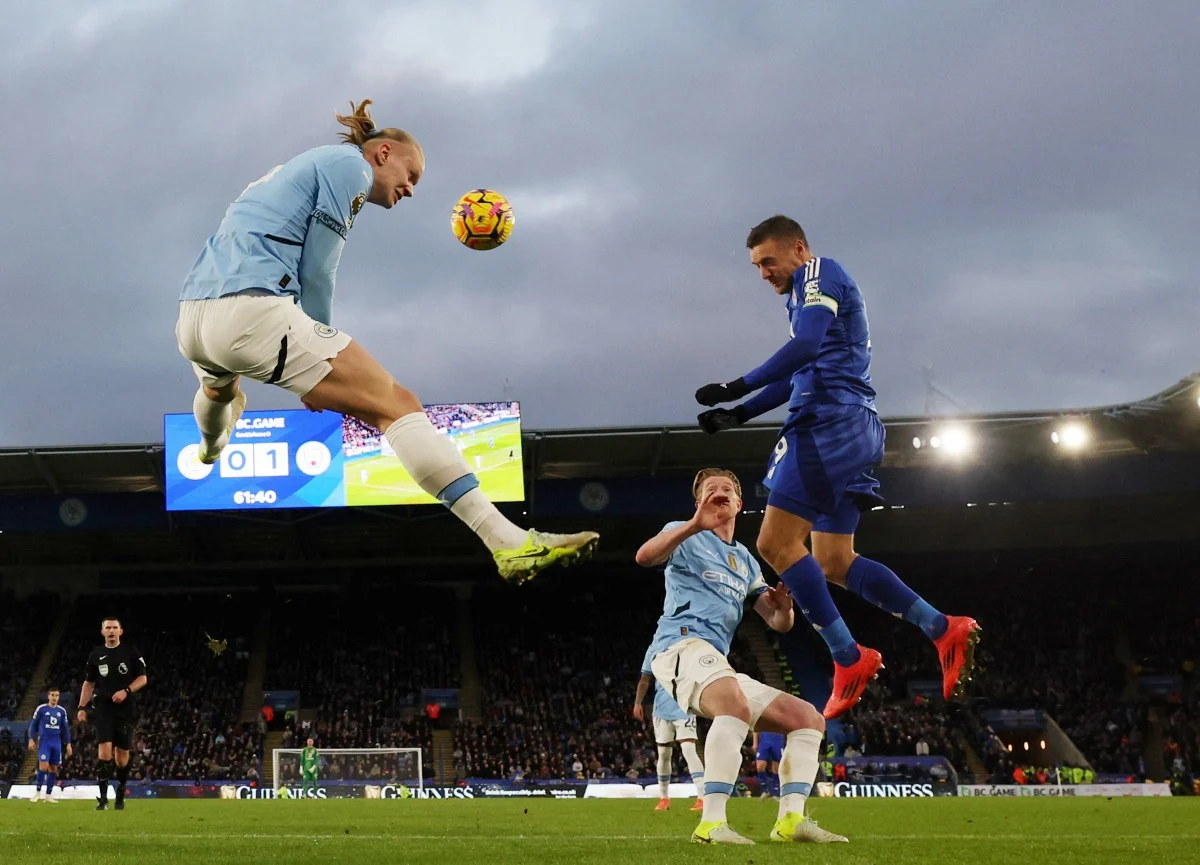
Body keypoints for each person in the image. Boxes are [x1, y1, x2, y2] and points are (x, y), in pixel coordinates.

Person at [175, 98, 597, 583]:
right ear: (382, 152)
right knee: (397, 404)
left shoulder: (284, 172)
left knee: (219, 389)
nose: (411, 188)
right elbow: (318, 270)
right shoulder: (348, 167)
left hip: (193, 315)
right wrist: (322, 346)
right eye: (411, 172)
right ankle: (508, 542)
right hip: (251, 311)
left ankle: (210, 446)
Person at [694, 215, 980, 718]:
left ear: (798, 248)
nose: (762, 273)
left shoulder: (819, 274)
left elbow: (804, 351)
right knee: (832, 560)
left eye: (767, 261)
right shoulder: (801, 298)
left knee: (773, 544)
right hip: (854, 427)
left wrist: (735, 385)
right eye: (756, 266)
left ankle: (848, 658)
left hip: (827, 423)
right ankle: (942, 628)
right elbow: (803, 366)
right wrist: (737, 413)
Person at [637, 468, 847, 846]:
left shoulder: (746, 561)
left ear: (739, 503)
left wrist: (784, 608)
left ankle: (791, 820)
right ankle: (711, 824)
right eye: (709, 490)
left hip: (716, 659)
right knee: (731, 705)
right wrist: (692, 524)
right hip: (678, 646)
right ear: (698, 502)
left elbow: (777, 623)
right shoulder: (683, 532)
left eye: (727, 489)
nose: (719, 493)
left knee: (808, 719)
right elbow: (645, 557)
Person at [77, 617, 147, 810]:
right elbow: (89, 682)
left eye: (114, 627)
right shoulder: (96, 654)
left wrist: (126, 691)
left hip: (126, 709)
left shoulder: (130, 651)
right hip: (103, 708)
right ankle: (103, 798)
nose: (111, 630)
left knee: (121, 758)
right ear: (102, 632)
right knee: (104, 752)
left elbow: (142, 678)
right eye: (107, 627)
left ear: (120, 631)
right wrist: (82, 707)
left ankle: (121, 790)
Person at [633, 649, 704, 812]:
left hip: (684, 709)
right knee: (664, 754)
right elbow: (645, 679)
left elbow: (700, 678)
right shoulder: (653, 649)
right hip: (661, 711)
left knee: (688, 750)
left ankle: (702, 797)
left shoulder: (688, 648)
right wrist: (638, 702)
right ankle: (664, 798)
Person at [27, 687, 72, 803]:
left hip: (56, 742)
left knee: (53, 768)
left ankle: (48, 795)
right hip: (44, 742)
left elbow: (65, 729)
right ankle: (37, 793)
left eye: (57, 695)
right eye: (52, 695)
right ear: (48, 696)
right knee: (43, 766)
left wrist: (68, 744)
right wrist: (31, 739)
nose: (54, 698)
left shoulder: (62, 711)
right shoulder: (41, 709)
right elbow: (33, 725)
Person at [753, 730, 784, 799]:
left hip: (777, 740)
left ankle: (775, 793)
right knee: (760, 766)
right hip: (764, 741)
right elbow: (756, 728)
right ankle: (765, 790)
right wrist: (755, 743)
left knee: (777, 768)